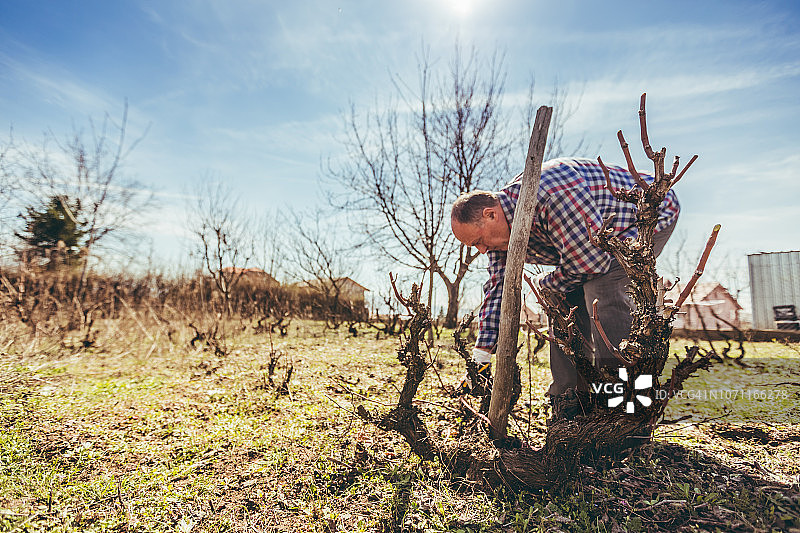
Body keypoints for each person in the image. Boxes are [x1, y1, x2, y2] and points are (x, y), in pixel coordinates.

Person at [450, 157, 678, 414]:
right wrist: (481, 355)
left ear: (490, 215)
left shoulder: (551, 193)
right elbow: (498, 291)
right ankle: (569, 402)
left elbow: (591, 264)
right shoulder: (500, 234)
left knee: (601, 291)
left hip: (644, 216)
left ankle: (625, 408)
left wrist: (543, 283)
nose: (481, 250)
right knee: (560, 299)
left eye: (478, 241)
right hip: (591, 245)